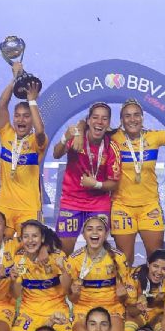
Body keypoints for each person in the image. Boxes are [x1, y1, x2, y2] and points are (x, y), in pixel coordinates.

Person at [109, 99, 165, 265]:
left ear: (142, 117)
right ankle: (130, 291)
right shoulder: (113, 137)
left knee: (156, 259)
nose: (132, 119)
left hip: (149, 207)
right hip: (122, 207)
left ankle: (154, 291)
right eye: (127, 116)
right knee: (125, 261)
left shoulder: (154, 136)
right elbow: (88, 127)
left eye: (136, 115)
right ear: (122, 120)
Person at [53, 103, 121, 256]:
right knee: (62, 253)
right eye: (95, 117)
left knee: (98, 252)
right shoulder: (77, 137)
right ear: (89, 120)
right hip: (71, 201)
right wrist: (65, 137)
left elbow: (114, 184)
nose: (99, 122)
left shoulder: (112, 148)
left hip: (98, 204)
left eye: (104, 119)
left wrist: (95, 184)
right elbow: (56, 154)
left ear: (109, 124)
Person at [5, 221, 72, 331]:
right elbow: (15, 295)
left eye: (34, 236)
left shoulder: (57, 256)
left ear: (42, 239)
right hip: (29, 315)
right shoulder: (18, 259)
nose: (30, 241)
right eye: (26, 237)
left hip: (57, 312)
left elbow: (68, 289)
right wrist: (14, 280)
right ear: (21, 240)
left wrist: (63, 270)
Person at [0, 66, 48, 239]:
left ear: (32, 120)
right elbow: (2, 105)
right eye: (17, 115)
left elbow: (40, 131)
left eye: (26, 116)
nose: (20, 119)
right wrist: (15, 79)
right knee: (2, 252)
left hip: (29, 208)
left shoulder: (36, 141)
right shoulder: (6, 133)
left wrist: (32, 100)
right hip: (4, 206)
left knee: (28, 253)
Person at [66, 216, 130, 331]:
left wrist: (123, 296)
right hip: (83, 311)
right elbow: (72, 299)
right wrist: (74, 293)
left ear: (106, 234)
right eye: (90, 229)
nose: (94, 232)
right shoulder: (74, 260)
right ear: (83, 234)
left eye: (99, 229)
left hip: (112, 309)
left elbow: (126, 299)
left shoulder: (118, 257)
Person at [123, 249, 165, 331]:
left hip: (158, 315)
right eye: (155, 266)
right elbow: (130, 311)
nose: (159, 272)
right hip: (139, 315)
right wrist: (138, 307)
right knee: (128, 330)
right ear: (148, 264)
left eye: (164, 269)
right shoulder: (134, 276)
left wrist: (162, 329)